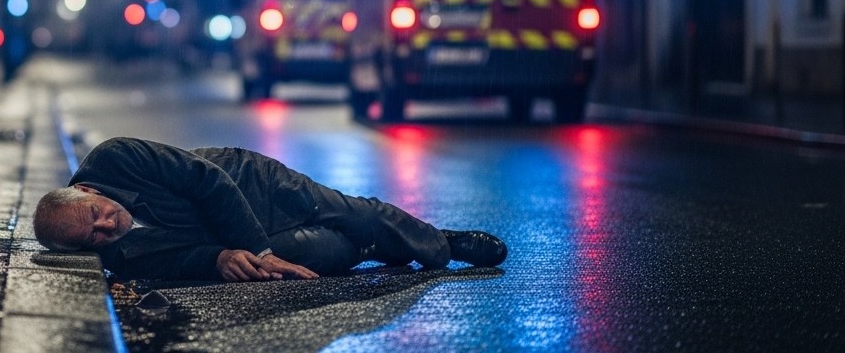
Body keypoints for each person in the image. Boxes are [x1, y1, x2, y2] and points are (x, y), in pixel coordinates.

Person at [33, 136, 507, 281]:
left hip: (252, 184)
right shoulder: (113, 257)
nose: (105, 226)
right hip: (237, 239)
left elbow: (207, 181)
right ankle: (381, 250)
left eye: (96, 213)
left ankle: (444, 245)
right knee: (327, 254)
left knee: (356, 215)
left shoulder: (114, 157)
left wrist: (255, 246)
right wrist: (218, 259)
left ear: (88, 190)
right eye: (90, 238)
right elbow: (174, 261)